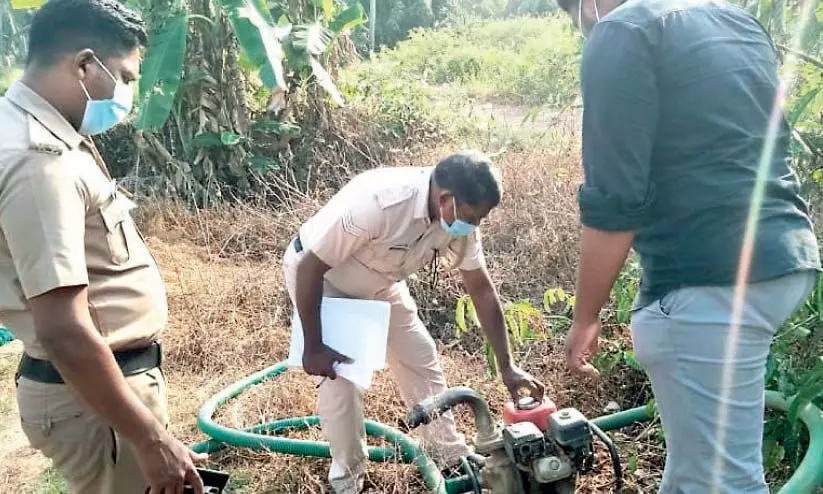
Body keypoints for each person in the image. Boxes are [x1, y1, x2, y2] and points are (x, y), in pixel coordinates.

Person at [555, 0, 821, 492]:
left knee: (725, 482)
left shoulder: (621, 32)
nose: (586, 31)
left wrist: (585, 316)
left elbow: (615, 200)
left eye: (581, 21)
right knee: (692, 471)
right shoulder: (736, 20)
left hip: (711, 282)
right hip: (787, 258)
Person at [0, 1, 206, 493]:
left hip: (103, 394)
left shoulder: (50, 133)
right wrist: (151, 439)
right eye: (126, 76)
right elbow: (64, 328)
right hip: (93, 402)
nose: (129, 92)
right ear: (85, 65)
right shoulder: (38, 162)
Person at [282, 150, 545, 493]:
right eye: (472, 216)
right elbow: (310, 267)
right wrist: (314, 346)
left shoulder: (457, 218)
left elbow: (480, 289)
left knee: (420, 355)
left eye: (482, 218)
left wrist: (507, 367)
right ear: (445, 199)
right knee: (342, 380)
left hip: (381, 280)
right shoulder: (380, 204)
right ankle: (346, 482)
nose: (475, 225)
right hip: (326, 280)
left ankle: (450, 456)